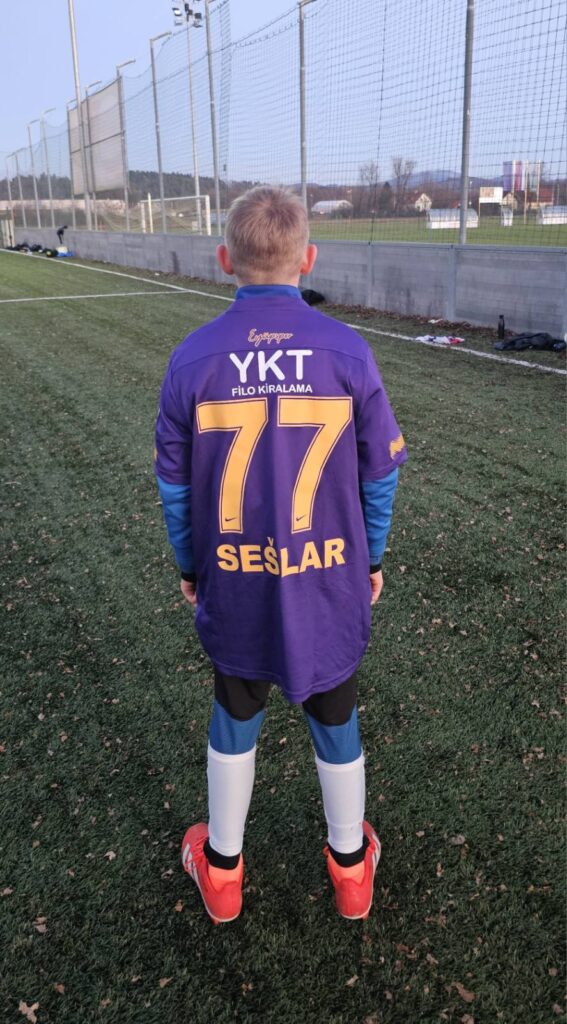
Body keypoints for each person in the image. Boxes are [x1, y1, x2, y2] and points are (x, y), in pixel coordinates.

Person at [154, 187, 407, 924]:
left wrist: (191, 568)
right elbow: (380, 474)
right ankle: (350, 870)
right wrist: (369, 560)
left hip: (235, 575)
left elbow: (175, 487)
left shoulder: (192, 358)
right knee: (336, 708)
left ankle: (223, 871)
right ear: (309, 259)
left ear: (224, 259)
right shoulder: (347, 350)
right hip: (326, 575)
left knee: (235, 707)